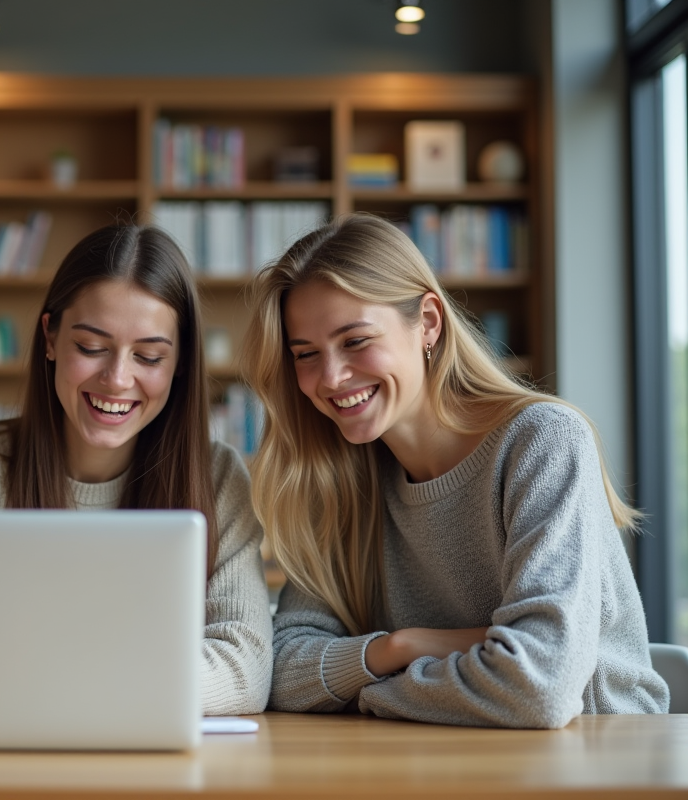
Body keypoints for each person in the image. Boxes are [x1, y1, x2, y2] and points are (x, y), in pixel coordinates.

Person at [244, 213, 669, 728]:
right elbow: (285, 673)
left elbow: (537, 687)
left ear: (428, 322)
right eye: (306, 354)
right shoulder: (342, 481)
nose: (330, 377)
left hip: (597, 761)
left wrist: (367, 690)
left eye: (355, 341)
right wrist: (403, 645)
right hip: (440, 759)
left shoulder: (542, 442)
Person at [0, 224, 272, 715]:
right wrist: (145, 678)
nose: (117, 379)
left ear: (180, 363)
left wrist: (41, 672)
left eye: (149, 356)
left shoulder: (217, 476)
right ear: (50, 338)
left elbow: (243, 671)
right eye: (90, 347)